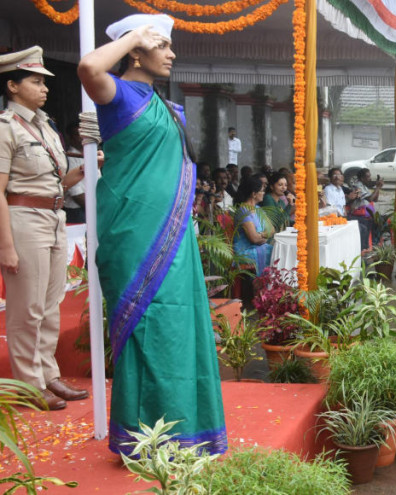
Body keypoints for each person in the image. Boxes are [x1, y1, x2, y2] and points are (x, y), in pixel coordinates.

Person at [78, 13, 227, 455]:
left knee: (177, 328)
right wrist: (134, 37)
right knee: (145, 329)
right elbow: (88, 68)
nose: (172, 53)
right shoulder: (119, 94)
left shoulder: (168, 107)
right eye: (162, 45)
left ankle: (186, 432)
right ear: (136, 50)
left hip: (175, 235)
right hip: (132, 233)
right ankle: (141, 438)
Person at [0, 46, 89, 411]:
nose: (45, 88)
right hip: (23, 221)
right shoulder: (6, 128)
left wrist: (82, 170)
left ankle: (48, 374)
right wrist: (6, 246)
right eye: (35, 81)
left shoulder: (47, 126)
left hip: (53, 219)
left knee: (51, 304)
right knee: (28, 308)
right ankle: (28, 384)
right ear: (13, 86)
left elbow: (55, 183)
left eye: (44, 82)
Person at [232, 176, 273, 275]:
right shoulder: (243, 210)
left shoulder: (258, 209)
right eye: (262, 191)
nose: (264, 193)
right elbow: (254, 239)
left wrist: (261, 236)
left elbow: (272, 230)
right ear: (254, 194)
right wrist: (264, 235)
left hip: (260, 245)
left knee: (276, 251)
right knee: (273, 253)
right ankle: (262, 286)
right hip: (245, 250)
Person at [348, 167, 382, 249]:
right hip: (359, 212)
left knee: (381, 221)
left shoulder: (364, 186)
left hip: (367, 212)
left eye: (370, 176)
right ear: (362, 178)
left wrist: (378, 188)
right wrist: (377, 187)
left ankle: (375, 242)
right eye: (368, 177)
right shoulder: (357, 186)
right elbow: (370, 199)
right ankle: (370, 245)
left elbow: (375, 199)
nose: (370, 179)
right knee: (373, 222)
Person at [62, 119, 88, 224]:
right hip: (77, 211)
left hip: (92, 207)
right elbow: (76, 193)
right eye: (77, 134)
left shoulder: (92, 154)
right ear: (70, 137)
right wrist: (95, 208)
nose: (81, 138)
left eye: (83, 134)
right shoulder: (70, 158)